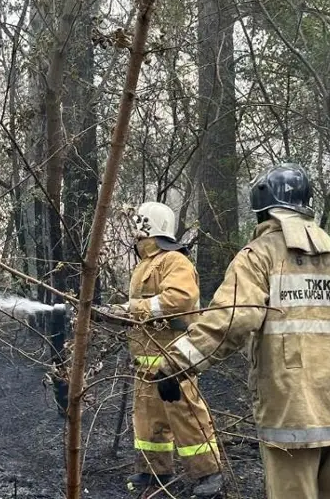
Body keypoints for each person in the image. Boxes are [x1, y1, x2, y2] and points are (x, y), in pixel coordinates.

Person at [155, 163, 330, 499]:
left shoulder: (260, 256)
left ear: (263, 211)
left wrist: (174, 365)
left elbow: (231, 320)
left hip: (292, 413)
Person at [108, 201, 223, 497]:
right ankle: (153, 472)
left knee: (186, 417)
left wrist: (131, 309)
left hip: (173, 360)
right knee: (148, 421)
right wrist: (115, 313)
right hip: (145, 363)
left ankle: (208, 474)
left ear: (148, 227)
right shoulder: (146, 264)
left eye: (138, 227)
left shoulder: (174, 261)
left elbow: (179, 300)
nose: (135, 234)